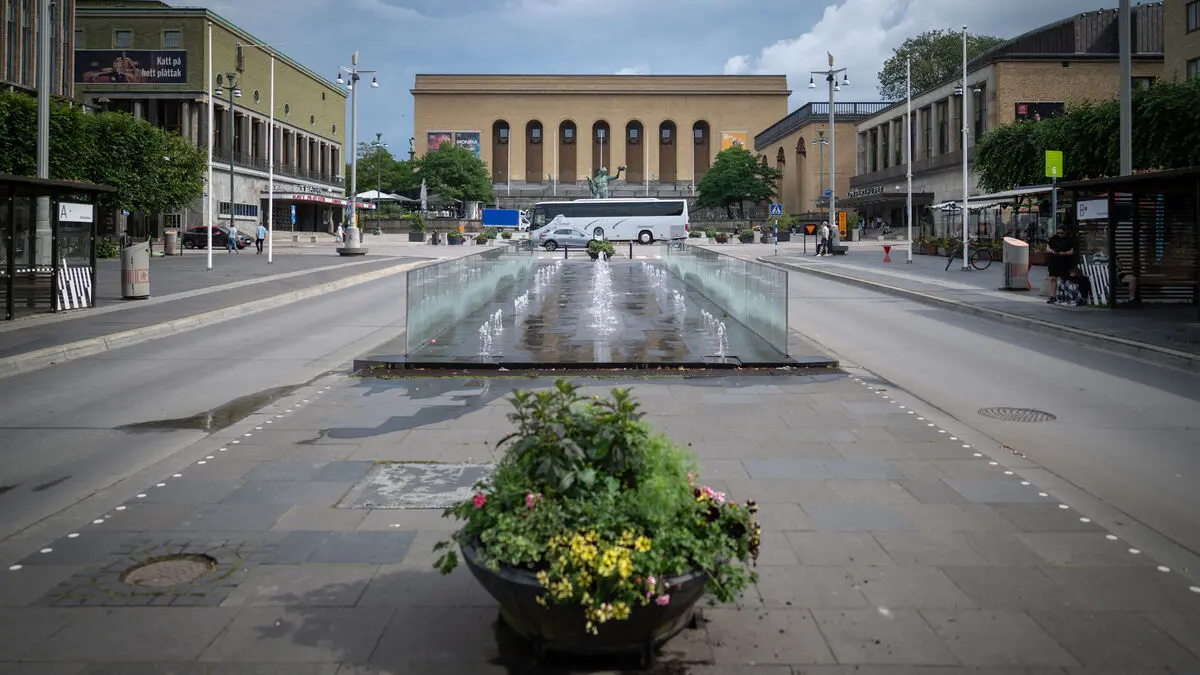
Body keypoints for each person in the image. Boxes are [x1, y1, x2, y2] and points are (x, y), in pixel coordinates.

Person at [1046, 225, 1074, 303]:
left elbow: (1072, 251)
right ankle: (1052, 296)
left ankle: (1064, 295)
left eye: (1061, 233)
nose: (1059, 234)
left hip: (1064, 260)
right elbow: (1047, 248)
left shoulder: (1069, 239)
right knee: (1053, 278)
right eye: (1058, 232)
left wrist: (1064, 253)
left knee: (1064, 278)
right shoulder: (1054, 238)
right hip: (1054, 260)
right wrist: (1052, 251)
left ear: (1065, 232)